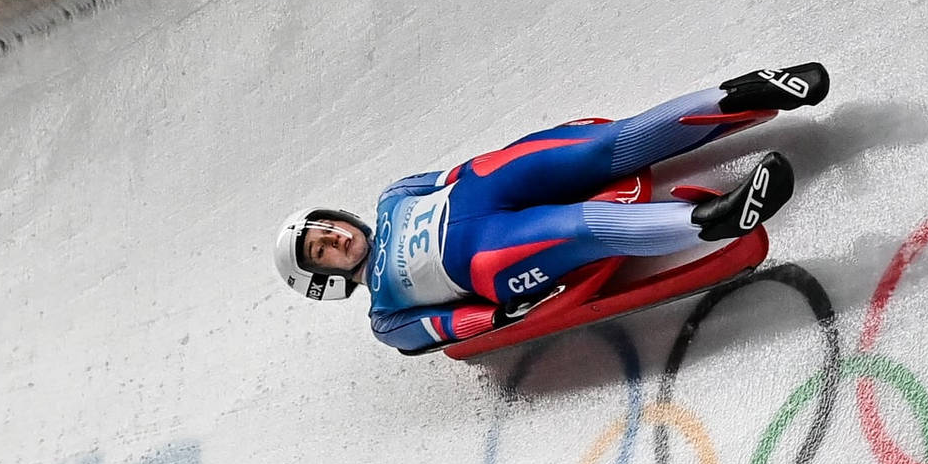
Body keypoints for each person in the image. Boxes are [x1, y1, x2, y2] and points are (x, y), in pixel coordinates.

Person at [274, 64, 828, 354]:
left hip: (488, 188)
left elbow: (455, 174)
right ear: (327, 277)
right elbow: (442, 327)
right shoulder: (385, 317)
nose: (336, 238)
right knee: (578, 227)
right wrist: (496, 319)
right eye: (323, 250)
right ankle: (710, 223)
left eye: (328, 228)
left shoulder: (394, 196)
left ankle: (746, 93)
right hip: (487, 255)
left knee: (602, 145)